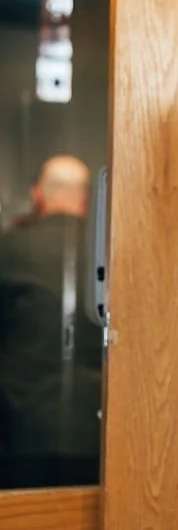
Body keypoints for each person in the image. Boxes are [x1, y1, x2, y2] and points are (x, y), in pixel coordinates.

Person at [0, 155, 104, 489]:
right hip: (100, 437)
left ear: (38, 195)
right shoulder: (116, 252)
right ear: (86, 200)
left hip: (19, 435)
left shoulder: (8, 249)